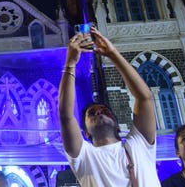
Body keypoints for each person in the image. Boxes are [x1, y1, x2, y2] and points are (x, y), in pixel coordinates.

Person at [58, 26, 159, 187]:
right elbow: (65, 115)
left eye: (105, 111)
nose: (99, 113)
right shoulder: (84, 156)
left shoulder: (139, 144)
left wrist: (113, 54)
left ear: (118, 125)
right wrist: (70, 63)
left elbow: (145, 98)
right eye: (92, 114)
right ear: (86, 133)